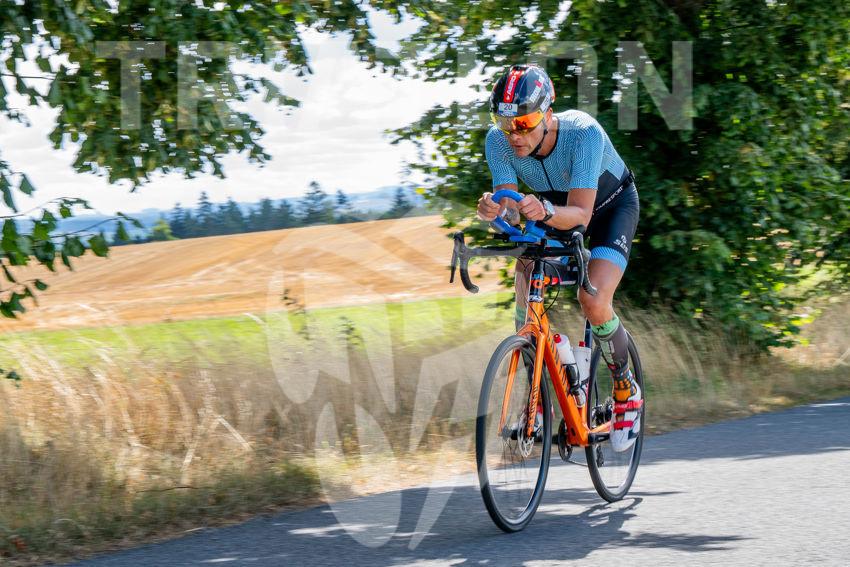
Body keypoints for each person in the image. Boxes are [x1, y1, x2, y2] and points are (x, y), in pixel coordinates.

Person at [476, 64, 642, 452]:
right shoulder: (498, 142)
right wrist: (495, 211)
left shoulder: (583, 133)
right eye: (505, 123)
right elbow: (512, 212)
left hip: (608, 208)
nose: (514, 134)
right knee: (526, 268)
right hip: (552, 209)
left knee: (592, 298)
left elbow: (581, 216)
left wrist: (544, 211)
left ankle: (625, 388)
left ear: (548, 114)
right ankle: (536, 395)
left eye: (524, 123)